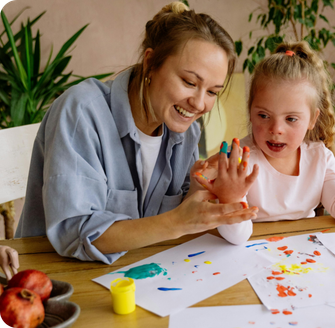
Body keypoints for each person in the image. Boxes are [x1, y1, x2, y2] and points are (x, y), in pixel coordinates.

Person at [15, 2, 259, 264]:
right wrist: (178, 221)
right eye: (189, 82)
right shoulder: (81, 111)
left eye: (212, 91)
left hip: (137, 277)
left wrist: (202, 189)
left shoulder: (185, 132)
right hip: (54, 280)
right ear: (150, 63)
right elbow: (77, 235)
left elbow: (166, 222)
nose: (200, 104)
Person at [195, 41, 335, 236]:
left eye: (291, 119)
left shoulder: (320, 158)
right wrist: (229, 197)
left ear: (312, 119)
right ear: (250, 111)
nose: (276, 128)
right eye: (263, 115)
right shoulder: (238, 162)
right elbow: (237, 237)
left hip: (305, 264)